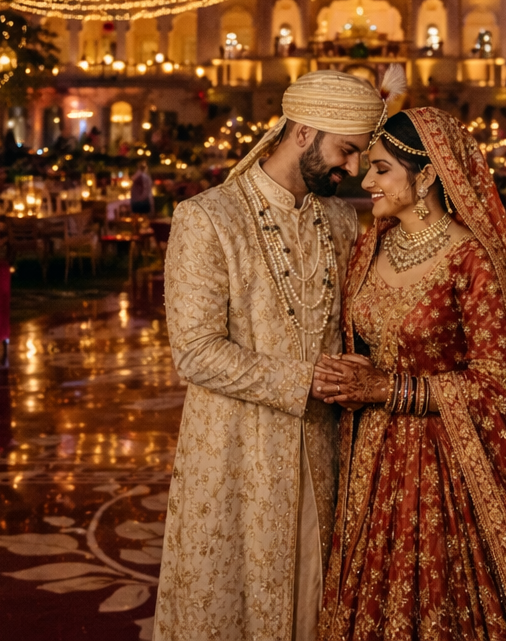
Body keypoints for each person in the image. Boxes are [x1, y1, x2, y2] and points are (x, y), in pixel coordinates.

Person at [313, 108, 506, 641]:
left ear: (425, 175)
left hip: (453, 460)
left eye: (381, 169)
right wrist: (354, 371)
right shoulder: (369, 245)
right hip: (372, 462)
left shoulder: (472, 258)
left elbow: (499, 380)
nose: (366, 180)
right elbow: (363, 339)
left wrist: (390, 388)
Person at [155, 70, 387, 641]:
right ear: (303, 131)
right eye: (346, 150)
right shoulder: (208, 217)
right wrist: (308, 378)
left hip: (324, 448)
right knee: (230, 599)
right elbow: (195, 352)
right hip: (236, 452)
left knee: (313, 600)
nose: (352, 169)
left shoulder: (338, 218)